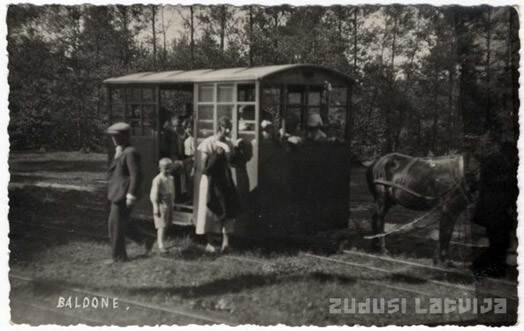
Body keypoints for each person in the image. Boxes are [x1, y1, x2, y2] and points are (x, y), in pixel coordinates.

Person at [106, 122, 154, 263]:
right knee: (122, 223)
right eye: (112, 136)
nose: (113, 139)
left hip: (123, 194)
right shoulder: (121, 151)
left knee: (114, 225)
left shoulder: (130, 152)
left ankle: (119, 257)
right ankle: (146, 239)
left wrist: (131, 195)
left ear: (125, 136)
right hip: (118, 192)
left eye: (116, 136)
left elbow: (136, 175)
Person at [196, 116, 240, 254]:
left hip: (225, 180)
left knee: (228, 210)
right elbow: (204, 169)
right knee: (210, 210)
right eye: (227, 128)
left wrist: (233, 149)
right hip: (210, 180)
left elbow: (232, 162)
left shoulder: (228, 142)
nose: (229, 131)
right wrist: (217, 153)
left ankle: (225, 243)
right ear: (220, 127)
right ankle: (210, 243)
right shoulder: (208, 142)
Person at [150, 158, 176, 253]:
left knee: (166, 224)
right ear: (160, 168)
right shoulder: (157, 180)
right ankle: (160, 244)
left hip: (168, 202)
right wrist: (155, 207)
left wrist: (173, 202)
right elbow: (153, 195)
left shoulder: (171, 178)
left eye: (170, 168)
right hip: (161, 203)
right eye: (165, 169)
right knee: (161, 225)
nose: (168, 171)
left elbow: (172, 191)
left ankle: (162, 240)